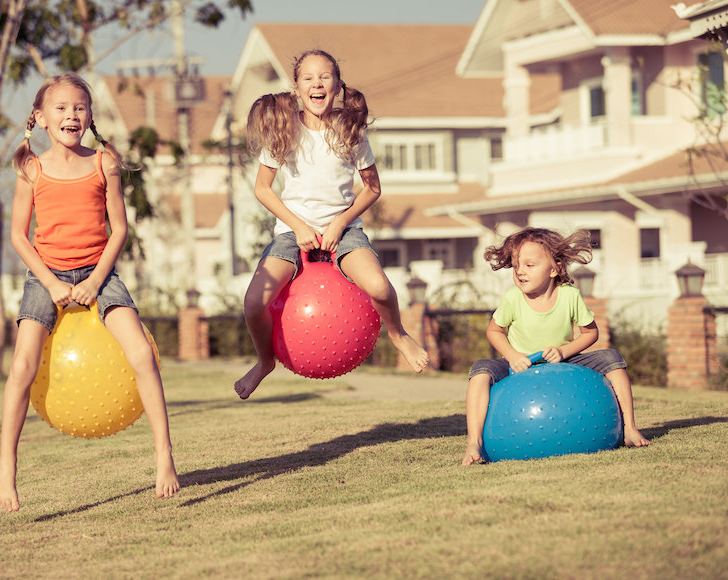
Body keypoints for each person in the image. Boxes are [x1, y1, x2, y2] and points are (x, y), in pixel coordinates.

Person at [0, 73, 179, 511]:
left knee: (141, 354)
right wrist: (54, 283)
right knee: (21, 366)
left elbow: (119, 229)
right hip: (47, 274)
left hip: (100, 273)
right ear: (40, 118)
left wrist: (95, 280)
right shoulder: (30, 168)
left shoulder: (104, 163)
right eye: (60, 108)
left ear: (90, 116)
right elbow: (20, 238)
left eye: (79, 107)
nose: (71, 115)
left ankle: (164, 455)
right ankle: (6, 467)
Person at [234, 49, 430, 400]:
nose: (317, 84)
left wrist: (340, 224)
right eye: (308, 78)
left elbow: (372, 188)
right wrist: (298, 227)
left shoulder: (350, 130)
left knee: (381, 288)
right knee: (253, 303)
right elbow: (262, 189)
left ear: (337, 84)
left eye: (325, 76)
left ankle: (399, 335)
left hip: (345, 230)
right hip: (292, 234)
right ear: (296, 87)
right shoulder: (284, 130)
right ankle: (265, 362)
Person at [461, 227, 651, 466]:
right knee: (480, 369)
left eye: (529, 266)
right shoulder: (513, 298)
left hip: (564, 360)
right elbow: (494, 331)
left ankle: (630, 429)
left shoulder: (570, 296)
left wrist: (564, 351)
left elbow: (590, 333)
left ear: (554, 269)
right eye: (517, 265)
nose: (520, 272)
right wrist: (512, 355)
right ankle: (474, 442)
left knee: (613, 359)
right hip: (519, 364)